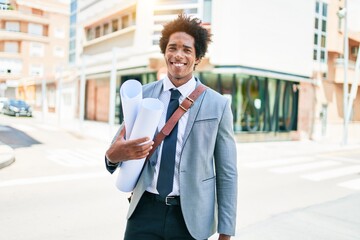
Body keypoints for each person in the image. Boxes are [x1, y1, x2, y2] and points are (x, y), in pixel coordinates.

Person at [105, 14, 237, 240]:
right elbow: (115, 151)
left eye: (187, 50)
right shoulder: (142, 94)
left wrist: (226, 230)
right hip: (144, 211)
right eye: (172, 48)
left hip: (191, 219)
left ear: (197, 58)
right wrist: (112, 157)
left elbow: (227, 173)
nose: (178, 55)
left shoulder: (219, 105)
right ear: (164, 52)